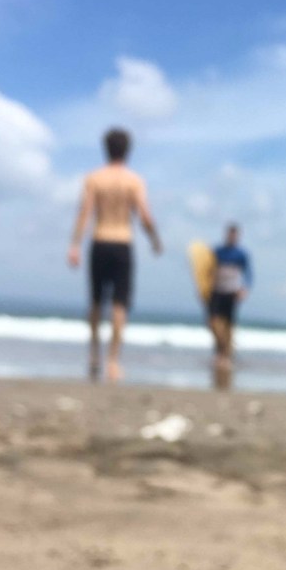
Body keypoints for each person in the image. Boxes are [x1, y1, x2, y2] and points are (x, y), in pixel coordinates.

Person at [68, 128, 162, 381]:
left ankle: (93, 355)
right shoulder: (134, 180)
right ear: (128, 150)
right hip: (122, 242)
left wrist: (75, 245)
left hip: (99, 241)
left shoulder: (94, 178)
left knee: (96, 303)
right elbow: (145, 216)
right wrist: (155, 240)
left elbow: (84, 213)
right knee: (120, 304)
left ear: (105, 149)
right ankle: (112, 361)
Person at [209, 223, 252, 371]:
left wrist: (244, 289)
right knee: (213, 322)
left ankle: (226, 355)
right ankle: (220, 351)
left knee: (228, 325)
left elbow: (248, 274)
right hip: (217, 291)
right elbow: (207, 269)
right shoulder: (218, 252)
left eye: (234, 235)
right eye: (230, 234)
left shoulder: (241, 254)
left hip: (232, 292)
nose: (232, 237)